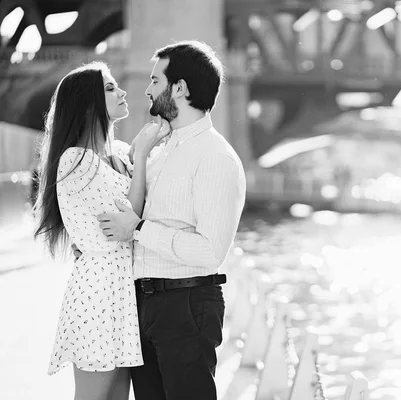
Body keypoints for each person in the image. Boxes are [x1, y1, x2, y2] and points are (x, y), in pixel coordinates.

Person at [96, 41, 246, 399]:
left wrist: (139, 229)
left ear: (179, 89)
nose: (146, 90)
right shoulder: (160, 153)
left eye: (154, 81)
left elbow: (210, 251)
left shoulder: (215, 157)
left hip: (187, 305)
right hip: (144, 304)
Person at [33, 61, 170, 400]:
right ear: (87, 102)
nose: (122, 91)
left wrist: (141, 152)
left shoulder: (118, 154)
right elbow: (131, 215)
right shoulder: (75, 161)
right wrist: (141, 153)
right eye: (109, 88)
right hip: (98, 293)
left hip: (123, 292)